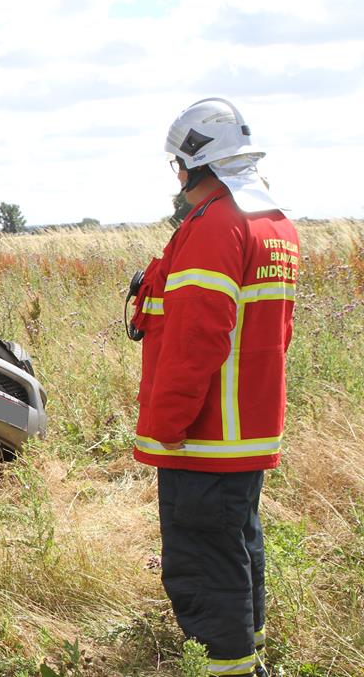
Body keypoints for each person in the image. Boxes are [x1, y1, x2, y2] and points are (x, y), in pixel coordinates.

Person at [129, 98, 298, 677]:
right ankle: (250, 647)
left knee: (203, 557)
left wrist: (165, 425)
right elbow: (279, 330)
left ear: (189, 166)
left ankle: (230, 665)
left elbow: (194, 339)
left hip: (206, 433)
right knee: (238, 541)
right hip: (248, 428)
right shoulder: (274, 224)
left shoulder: (214, 228)